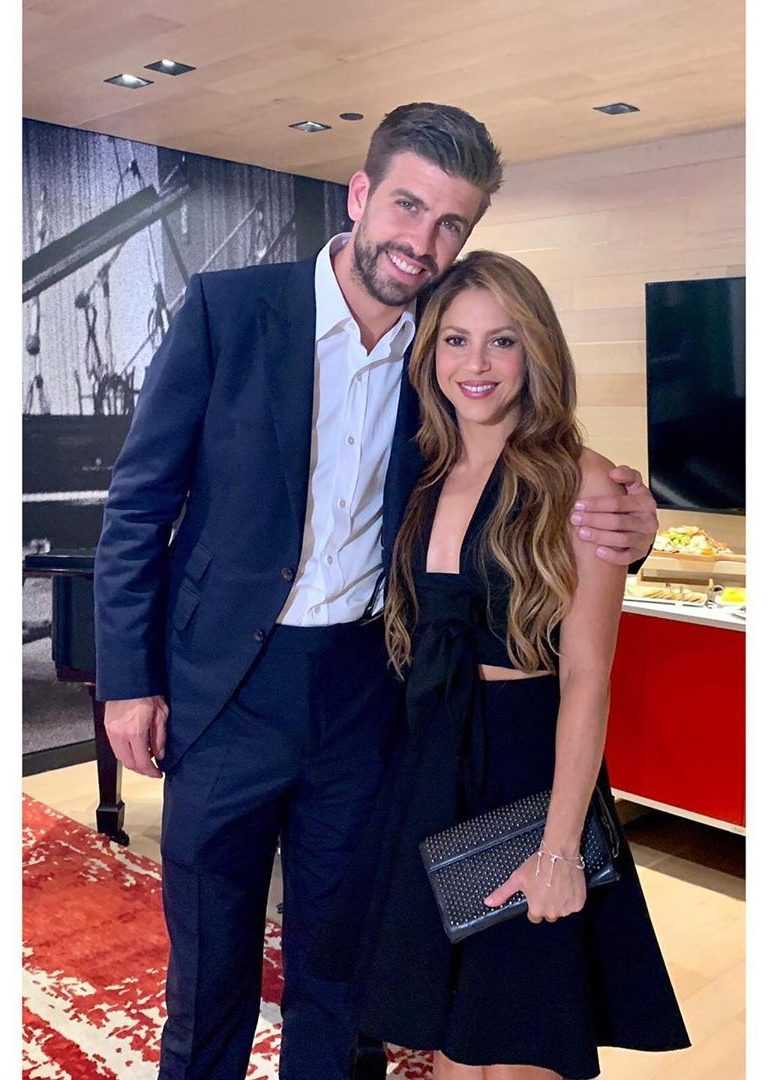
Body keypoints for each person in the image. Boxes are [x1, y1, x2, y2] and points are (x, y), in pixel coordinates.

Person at [94, 103, 660, 1080]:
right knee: (210, 967)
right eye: (408, 206)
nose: (423, 241)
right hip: (225, 692)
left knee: (339, 968)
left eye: (452, 223)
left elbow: (521, 487)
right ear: (360, 195)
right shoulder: (232, 309)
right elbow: (139, 504)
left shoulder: (439, 350)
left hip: (368, 695)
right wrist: (127, 680)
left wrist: (627, 526)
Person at [313, 250, 690, 1080]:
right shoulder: (422, 471)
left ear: (536, 351)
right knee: (452, 1041)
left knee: (521, 1037)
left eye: (502, 340)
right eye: (455, 340)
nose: (475, 364)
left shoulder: (582, 482)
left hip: (526, 769)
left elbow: (588, 676)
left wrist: (559, 848)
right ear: (430, 353)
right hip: (430, 763)